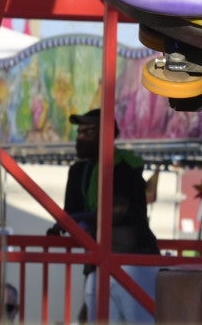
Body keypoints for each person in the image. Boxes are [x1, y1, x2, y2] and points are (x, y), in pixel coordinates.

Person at [62, 108, 160, 323]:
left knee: (139, 319)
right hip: (98, 260)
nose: (80, 138)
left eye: (88, 132)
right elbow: (70, 213)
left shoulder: (124, 166)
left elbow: (115, 211)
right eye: (79, 132)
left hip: (133, 260)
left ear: (106, 136)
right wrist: (65, 224)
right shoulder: (79, 171)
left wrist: (77, 219)